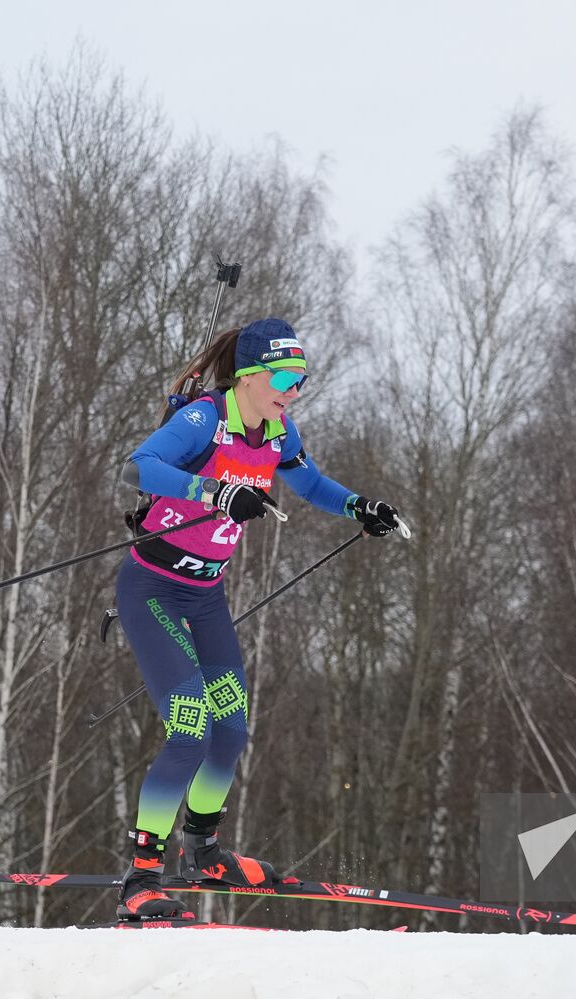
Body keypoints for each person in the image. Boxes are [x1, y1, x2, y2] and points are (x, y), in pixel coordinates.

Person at [112, 317, 402, 919]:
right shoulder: (204, 420)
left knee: (231, 729)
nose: (294, 389)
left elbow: (312, 483)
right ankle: (140, 878)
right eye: (285, 376)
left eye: (301, 378)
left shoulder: (277, 431)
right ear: (249, 376)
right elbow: (138, 468)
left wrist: (360, 507)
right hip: (154, 590)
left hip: (205, 595)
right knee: (190, 727)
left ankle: (205, 851)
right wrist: (214, 494)